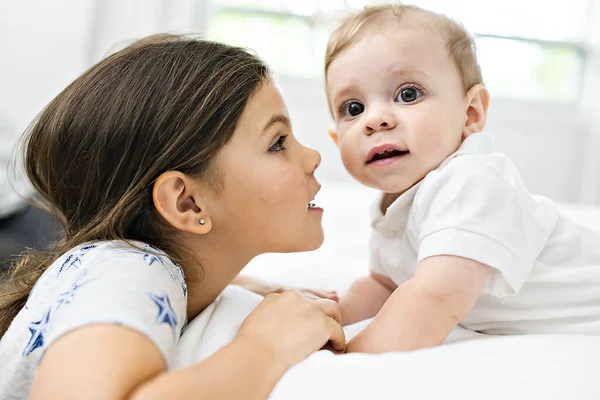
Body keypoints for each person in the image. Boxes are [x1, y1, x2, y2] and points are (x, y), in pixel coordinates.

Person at [0, 34, 345, 399]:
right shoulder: (130, 272)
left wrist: (234, 283)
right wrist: (266, 347)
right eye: (277, 143)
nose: (312, 157)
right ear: (186, 204)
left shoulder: (140, 270)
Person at [325, 4, 600, 353]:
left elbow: (435, 299)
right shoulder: (392, 206)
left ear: (470, 113)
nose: (375, 119)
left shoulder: (471, 180)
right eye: (353, 108)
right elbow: (385, 286)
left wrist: (349, 356)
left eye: (407, 94)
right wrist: (332, 322)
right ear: (336, 139)